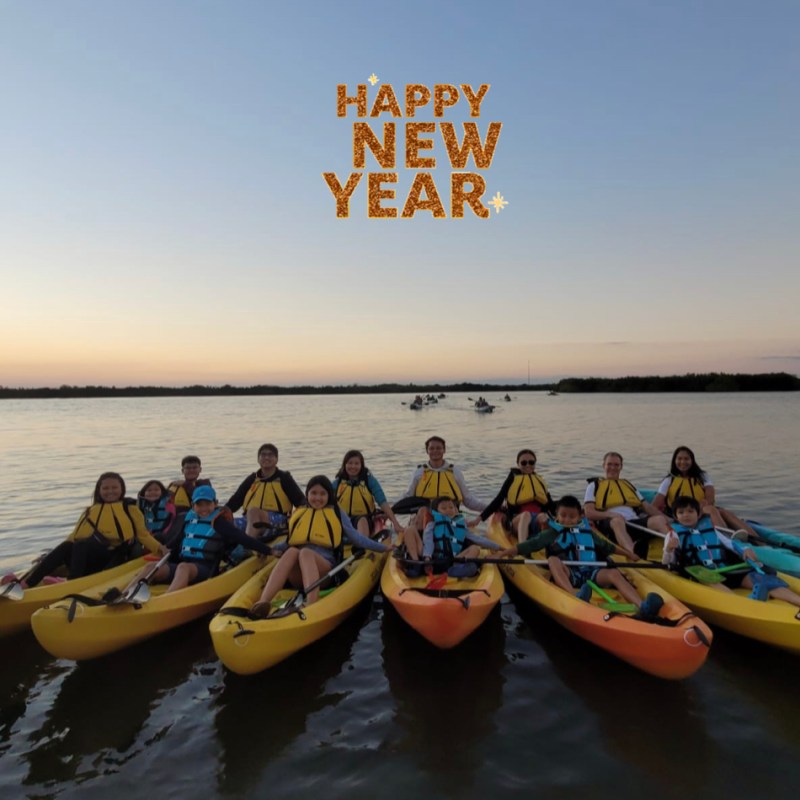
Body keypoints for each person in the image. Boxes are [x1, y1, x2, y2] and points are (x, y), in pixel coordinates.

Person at [250, 475, 392, 616]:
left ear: (329, 495)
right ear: (307, 494)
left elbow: (357, 538)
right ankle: (263, 602)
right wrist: (269, 550)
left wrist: (383, 548)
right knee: (292, 551)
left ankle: (311, 602)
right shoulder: (300, 512)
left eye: (322, 494)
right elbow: (289, 541)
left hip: (324, 574)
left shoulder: (337, 512)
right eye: (314, 493)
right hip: (298, 575)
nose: (317, 498)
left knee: (305, 552)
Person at [500, 495, 663, 614]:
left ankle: (642, 605)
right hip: (569, 574)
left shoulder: (587, 532)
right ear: (556, 516)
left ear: (580, 517)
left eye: (572, 516)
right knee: (552, 560)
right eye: (563, 516)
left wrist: (629, 553)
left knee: (613, 573)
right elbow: (527, 545)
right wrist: (506, 553)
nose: (567, 520)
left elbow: (608, 547)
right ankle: (574, 596)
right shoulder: (551, 533)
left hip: (591, 572)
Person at [12, 472, 165, 588]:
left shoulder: (129, 508)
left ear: (122, 489)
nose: (110, 491)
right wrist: (48, 558)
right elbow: (73, 536)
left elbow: (143, 535)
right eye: (105, 488)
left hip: (112, 558)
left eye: (114, 488)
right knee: (69, 545)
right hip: (87, 558)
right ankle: (27, 583)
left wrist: (160, 549)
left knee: (81, 544)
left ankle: (72, 582)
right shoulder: (90, 510)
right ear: (99, 490)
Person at [125, 485, 273, 594]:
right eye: (199, 505)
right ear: (193, 505)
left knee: (183, 568)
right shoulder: (189, 519)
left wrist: (269, 550)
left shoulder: (219, 522)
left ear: (215, 504)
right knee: (151, 568)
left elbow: (241, 537)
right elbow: (178, 541)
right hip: (184, 566)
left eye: (207, 504)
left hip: (205, 568)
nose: (203, 509)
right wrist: (163, 549)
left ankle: (167, 598)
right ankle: (124, 594)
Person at [663, 496, 800, 606]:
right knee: (708, 577)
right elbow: (666, 562)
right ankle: (744, 604)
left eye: (690, 511)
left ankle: (796, 601)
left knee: (763, 579)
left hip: (727, 569)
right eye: (681, 512)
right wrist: (669, 549)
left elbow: (731, 543)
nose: (686, 515)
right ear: (675, 517)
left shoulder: (713, 529)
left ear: (698, 514)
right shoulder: (673, 535)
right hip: (703, 574)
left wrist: (745, 550)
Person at [398, 436, 487, 560]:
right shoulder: (419, 472)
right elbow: (407, 497)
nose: (435, 451)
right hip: (425, 513)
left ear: (444, 450)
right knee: (423, 511)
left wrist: (490, 507)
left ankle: (452, 551)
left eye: (439, 448)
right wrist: (388, 512)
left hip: (449, 513)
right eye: (432, 448)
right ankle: (420, 552)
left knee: (446, 514)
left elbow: (468, 499)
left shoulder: (454, 471)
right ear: (427, 451)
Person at [653, 445, 756, 537]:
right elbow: (656, 504)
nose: (683, 462)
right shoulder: (669, 480)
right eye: (679, 459)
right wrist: (667, 518)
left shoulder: (702, 476)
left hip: (700, 509)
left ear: (692, 461)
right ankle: (726, 537)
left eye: (686, 459)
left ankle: (757, 539)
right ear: (674, 461)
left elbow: (710, 497)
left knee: (722, 512)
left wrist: (701, 510)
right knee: (712, 510)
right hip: (680, 513)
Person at [583, 452, 670, 558]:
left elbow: (647, 507)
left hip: (633, 523)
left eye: (616, 465)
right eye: (609, 464)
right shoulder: (594, 485)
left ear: (621, 467)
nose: (613, 468)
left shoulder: (627, 485)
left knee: (659, 520)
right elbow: (589, 512)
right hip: (611, 525)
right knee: (617, 521)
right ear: (603, 466)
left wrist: (669, 519)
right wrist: (610, 514)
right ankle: (632, 551)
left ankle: (677, 548)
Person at [224, 443, 305, 536]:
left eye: (270, 455)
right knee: (223, 524)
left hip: (277, 520)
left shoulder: (284, 478)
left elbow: (301, 502)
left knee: (253, 511)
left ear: (276, 460)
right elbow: (235, 501)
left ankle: (248, 547)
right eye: (263, 455)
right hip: (250, 519)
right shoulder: (252, 479)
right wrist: (219, 512)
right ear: (258, 459)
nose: (266, 457)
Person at [474, 449, 555, 542]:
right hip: (517, 521)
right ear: (518, 464)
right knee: (526, 515)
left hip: (536, 520)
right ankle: (523, 547)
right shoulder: (512, 479)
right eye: (524, 463)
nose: (528, 465)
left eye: (531, 462)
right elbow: (498, 499)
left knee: (544, 517)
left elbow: (550, 504)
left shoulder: (539, 481)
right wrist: (479, 518)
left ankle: (547, 548)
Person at [420, 496, 501, 578]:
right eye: (444, 508)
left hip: (455, 560)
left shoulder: (460, 525)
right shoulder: (432, 524)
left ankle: (456, 569)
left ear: (455, 509)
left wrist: (498, 547)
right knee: (473, 567)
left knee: (475, 549)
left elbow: (477, 539)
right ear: (436, 511)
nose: (448, 510)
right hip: (439, 561)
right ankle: (461, 570)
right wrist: (427, 558)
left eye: (451, 507)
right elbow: (428, 542)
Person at [332, 450, 404, 538]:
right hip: (343, 520)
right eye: (350, 463)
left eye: (356, 463)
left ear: (361, 465)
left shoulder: (369, 481)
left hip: (365, 519)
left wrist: (395, 523)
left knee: (362, 520)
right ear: (344, 465)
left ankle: (363, 545)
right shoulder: (338, 483)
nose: (353, 466)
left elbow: (382, 502)